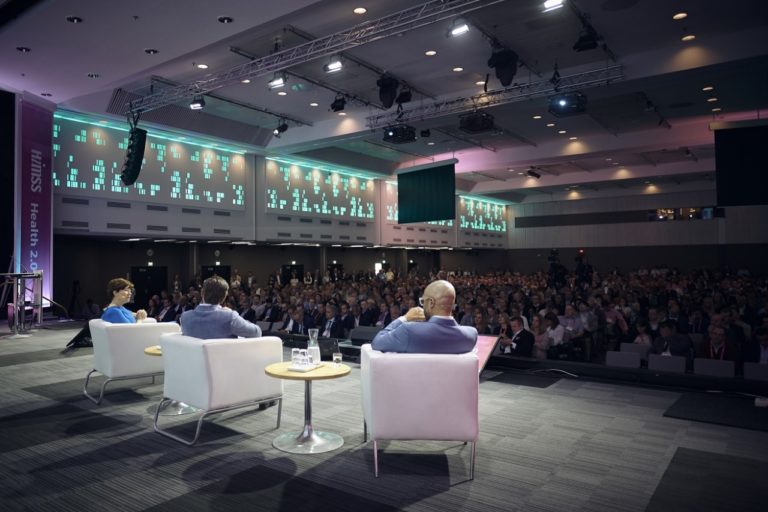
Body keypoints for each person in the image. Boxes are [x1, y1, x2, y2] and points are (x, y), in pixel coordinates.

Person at [371, 280, 477, 354]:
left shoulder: (408, 330)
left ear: (431, 303)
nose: (423, 305)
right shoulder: (471, 335)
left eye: (423, 301)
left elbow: (377, 342)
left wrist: (405, 318)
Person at [180, 276, 262, 339]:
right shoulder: (229, 317)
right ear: (224, 297)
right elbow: (257, 332)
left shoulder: (185, 317)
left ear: (202, 293)